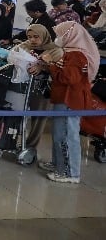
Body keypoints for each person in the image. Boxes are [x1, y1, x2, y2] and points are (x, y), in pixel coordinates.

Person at [38, 21, 99, 184]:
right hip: (65, 97)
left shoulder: (77, 55)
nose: (57, 38)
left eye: (60, 35)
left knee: (65, 135)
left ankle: (70, 172)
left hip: (70, 99)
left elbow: (69, 78)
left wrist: (50, 65)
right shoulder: (70, 52)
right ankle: (58, 164)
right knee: (59, 134)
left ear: (70, 36)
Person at [12, 25, 63, 151]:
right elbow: (11, 55)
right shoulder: (24, 46)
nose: (32, 40)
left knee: (38, 119)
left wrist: (43, 67)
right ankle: (11, 140)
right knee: (16, 112)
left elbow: (60, 71)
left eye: (36, 37)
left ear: (44, 35)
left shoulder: (55, 50)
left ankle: (30, 146)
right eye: (29, 37)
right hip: (21, 87)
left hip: (42, 89)